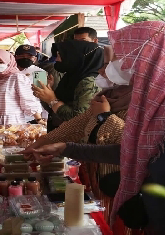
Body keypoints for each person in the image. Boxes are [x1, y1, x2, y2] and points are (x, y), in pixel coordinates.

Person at [23, 21, 165, 234]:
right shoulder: (158, 99)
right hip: (161, 216)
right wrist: (64, 148)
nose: (111, 65)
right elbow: (137, 150)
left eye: (118, 56)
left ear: (147, 56)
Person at [26, 46, 133, 229]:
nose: (100, 70)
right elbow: (77, 124)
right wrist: (41, 143)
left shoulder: (145, 102)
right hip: (97, 175)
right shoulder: (109, 95)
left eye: (107, 64)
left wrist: (104, 117)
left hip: (122, 182)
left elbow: (132, 146)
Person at [32, 40, 102, 130]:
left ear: (75, 57)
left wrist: (52, 100)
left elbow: (79, 119)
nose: (56, 59)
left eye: (60, 55)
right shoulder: (71, 76)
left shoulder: (89, 82)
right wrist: (48, 92)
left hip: (72, 138)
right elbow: (54, 110)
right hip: (59, 130)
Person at [0, 49, 43, 125]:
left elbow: (28, 99)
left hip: (11, 119)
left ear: (9, 62)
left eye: (1, 62)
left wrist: (39, 119)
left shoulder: (17, 77)